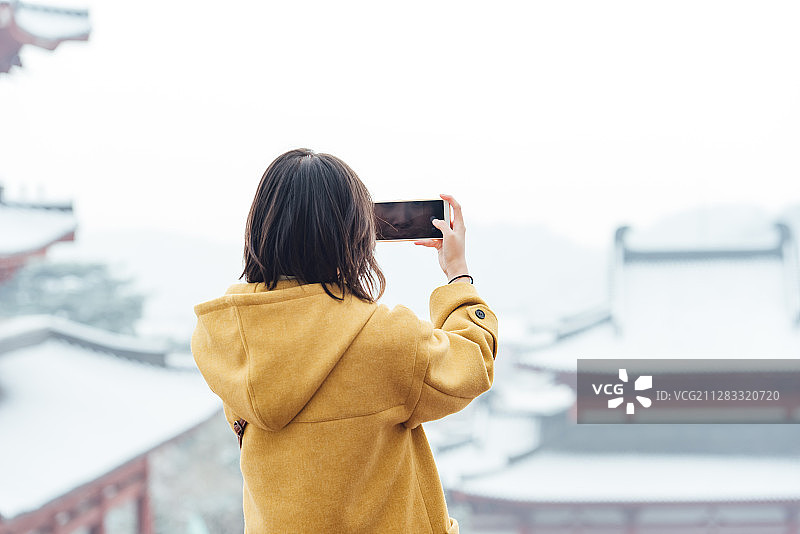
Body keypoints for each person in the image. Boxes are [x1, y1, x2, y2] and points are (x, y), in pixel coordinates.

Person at [191, 148, 499, 534]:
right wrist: (458, 275)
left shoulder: (229, 336)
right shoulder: (384, 339)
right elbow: (472, 363)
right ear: (352, 234)